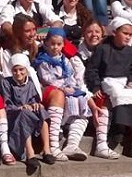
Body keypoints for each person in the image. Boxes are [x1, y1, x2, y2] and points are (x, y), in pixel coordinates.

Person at [84, 18, 132, 158]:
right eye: (125, 33)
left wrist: (131, 84)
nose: (128, 37)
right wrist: (96, 86)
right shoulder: (103, 49)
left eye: (130, 34)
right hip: (109, 81)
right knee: (117, 94)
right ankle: (119, 130)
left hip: (126, 83)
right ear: (115, 32)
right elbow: (92, 70)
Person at [33, 28, 91, 161]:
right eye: (52, 44)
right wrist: (63, 87)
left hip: (66, 87)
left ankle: (72, 144)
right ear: (46, 43)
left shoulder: (65, 60)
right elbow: (46, 78)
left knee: (82, 102)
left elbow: (70, 75)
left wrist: (71, 86)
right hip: (49, 89)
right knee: (61, 96)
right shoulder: (43, 60)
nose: (55, 47)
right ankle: (54, 143)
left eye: (59, 44)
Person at [0, 54, 57, 174]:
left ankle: (47, 149)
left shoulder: (31, 82)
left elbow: (34, 100)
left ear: (26, 69)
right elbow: (7, 104)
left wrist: (35, 104)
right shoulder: (6, 82)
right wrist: (20, 107)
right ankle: (30, 153)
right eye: (15, 70)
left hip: (29, 112)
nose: (18, 73)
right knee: (24, 113)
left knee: (41, 110)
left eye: (21, 69)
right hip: (14, 116)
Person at [71, 21, 118, 159]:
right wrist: (90, 97)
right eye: (90, 32)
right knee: (99, 99)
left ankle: (103, 143)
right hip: (82, 90)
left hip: (102, 88)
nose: (94, 35)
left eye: (97, 32)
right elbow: (80, 82)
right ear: (84, 34)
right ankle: (99, 145)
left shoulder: (107, 51)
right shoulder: (77, 55)